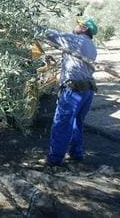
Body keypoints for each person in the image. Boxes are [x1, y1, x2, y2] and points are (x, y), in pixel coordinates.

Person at [40, 16, 98, 166]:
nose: (76, 25)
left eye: (79, 24)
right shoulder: (91, 45)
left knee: (62, 122)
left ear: (84, 28)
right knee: (76, 122)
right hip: (87, 90)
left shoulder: (76, 40)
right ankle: (76, 153)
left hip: (73, 90)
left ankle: (55, 159)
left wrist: (28, 25)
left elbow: (51, 35)